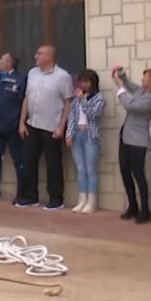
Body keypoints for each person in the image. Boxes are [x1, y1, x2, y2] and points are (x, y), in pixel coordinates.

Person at [17, 45, 73, 210]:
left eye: (40, 54)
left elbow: (68, 103)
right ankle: (29, 196)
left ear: (49, 57)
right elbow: (27, 98)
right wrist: (22, 122)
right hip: (32, 123)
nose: (36, 56)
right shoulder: (32, 73)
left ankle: (56, 198)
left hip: (52, 125)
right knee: (28, 160)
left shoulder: (62, 76)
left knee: (53, 162)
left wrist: (62, 127)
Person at [112, 65, 151, 223]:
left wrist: (120, 89)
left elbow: (131, 106)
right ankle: (132, 206)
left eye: (145, 77)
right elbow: (128, 83)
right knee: (125, 172)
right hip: (125, 137)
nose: (142, 79)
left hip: (138, 140)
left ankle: (145, 210)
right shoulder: (141, 92)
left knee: (138, 174)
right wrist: (120, 73)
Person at [0, 53, 26, 203]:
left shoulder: (20, 80)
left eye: (2, 59)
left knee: (18, 160)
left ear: (10, 63)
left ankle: (21, 192)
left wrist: (20, 123)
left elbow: (24, 102)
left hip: (13, 127)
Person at [66, 69, 106, 214]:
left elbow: (93, 114)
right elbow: (72, 116)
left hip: (90, 135)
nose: (83, 84)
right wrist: (69, 134)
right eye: (81, 81)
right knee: (80, 169)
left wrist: (83, 100)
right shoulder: (76, 99)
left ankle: (91, 201)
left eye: (86, 81)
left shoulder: (99, 98)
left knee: (90, 169)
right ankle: (81, 199)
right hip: (77, 133)